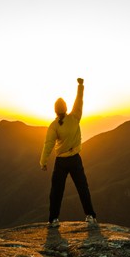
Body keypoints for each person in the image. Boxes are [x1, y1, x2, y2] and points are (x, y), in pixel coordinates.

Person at [40, 78, 97, 227]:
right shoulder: (75, 117)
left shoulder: (53, 126)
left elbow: (48, 145)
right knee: (82, 188)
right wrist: (80, 86)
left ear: (55, 110)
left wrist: (43, 162)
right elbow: (79, 100)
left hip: (61, 162)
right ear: (65, 108)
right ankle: (90, 215)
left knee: (56, 191)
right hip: (75, 159)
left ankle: (53, 219)